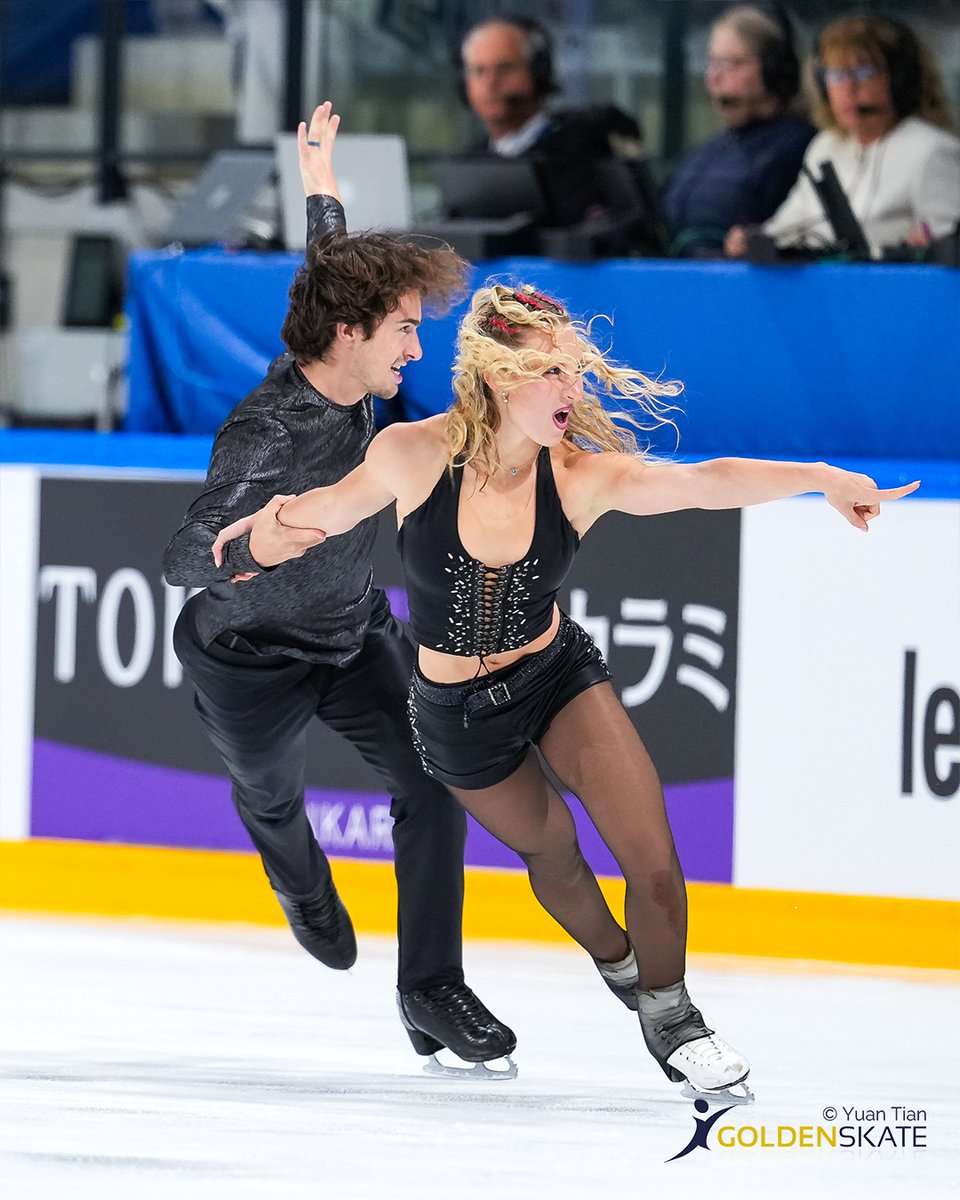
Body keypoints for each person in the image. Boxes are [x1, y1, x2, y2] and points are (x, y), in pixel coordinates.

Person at [211, 246, 918, 1097]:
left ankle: (673, 1016)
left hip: (555, 677)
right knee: (558, 859)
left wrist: (818, 478)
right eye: (553, 374)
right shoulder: (412, 455)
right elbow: (320, 514)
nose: (572, 392)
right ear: (503, 377)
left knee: (650, 853)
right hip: (455, 717)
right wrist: (257, 534)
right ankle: (622, 966)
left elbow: (704, 483)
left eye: (575, 371)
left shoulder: (582, 475)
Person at [163, 104, 517, 1078]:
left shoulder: (351, 367)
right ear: (353, 333)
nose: (415, 350)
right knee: (270, 797)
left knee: (436, 779)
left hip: (355, 636)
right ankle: (296, 876)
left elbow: (334, 279)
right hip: (248, 662)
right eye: (404, 330)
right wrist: (260, 546)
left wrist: (324, 190)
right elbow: (182, 556)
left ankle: (429, 988)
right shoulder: (268, 432)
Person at [726, 15, 960, 258]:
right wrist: (752, 240)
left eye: (863, 72)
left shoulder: (931, 151)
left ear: (899, 79)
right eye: (835, 75)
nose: (847, 88)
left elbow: (951, 251)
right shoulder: (826, 147)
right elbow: (789, 225)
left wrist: (920, 252)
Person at [456, 16, 646, 232]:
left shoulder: (587, 146)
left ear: (538, 71)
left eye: (504, 68)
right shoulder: (472, 162)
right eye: (478, 71)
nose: (490, 83)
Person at [663, 4, 815, 257]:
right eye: (711, 63)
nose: (714, 76)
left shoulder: (799, 145)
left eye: (730, 64)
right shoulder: (715, 147)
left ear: (773, 70)